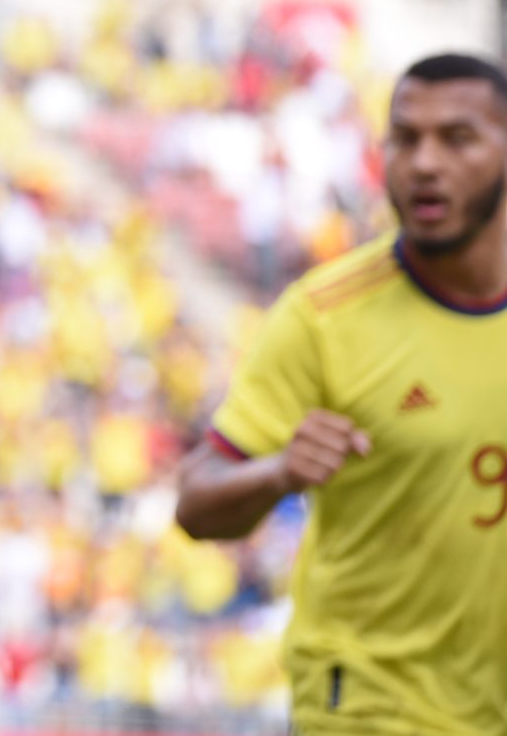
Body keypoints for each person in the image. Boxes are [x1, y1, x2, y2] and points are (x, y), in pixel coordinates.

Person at [174, 52, 507, 734]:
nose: (424, 162)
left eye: (458, 137)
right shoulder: (324, 316)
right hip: (369, 704)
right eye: (405, 137)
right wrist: (280, 471)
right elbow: (196, 505)